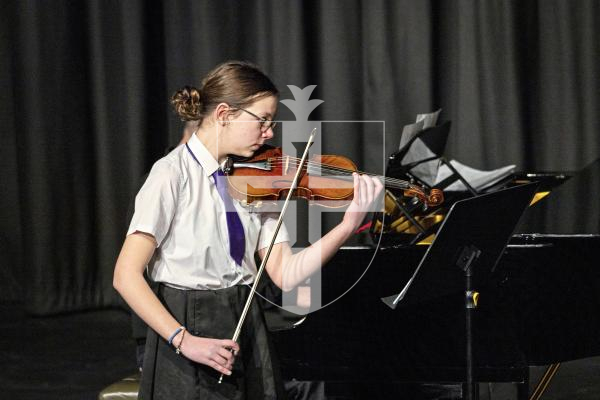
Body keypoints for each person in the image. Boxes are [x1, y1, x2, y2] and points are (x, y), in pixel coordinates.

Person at [113, 60, 383, 400]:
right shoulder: (170, 174)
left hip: (246, 321)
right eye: (263, 120)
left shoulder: (257, 179)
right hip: (186, 324)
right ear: (225, 114)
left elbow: (285, 273)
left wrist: (346, 226)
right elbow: (125, 275)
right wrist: (183, 339)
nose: (270, 133)